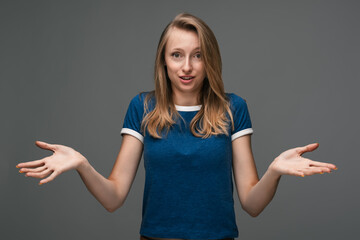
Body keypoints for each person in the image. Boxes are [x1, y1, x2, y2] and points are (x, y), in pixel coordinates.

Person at [16, 13, 337, 240]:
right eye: (177, 55)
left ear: (209, 59)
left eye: (197, 55)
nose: (187, 66)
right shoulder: (142, 107)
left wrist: (275, 171)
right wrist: (82, 164)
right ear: (163, 61)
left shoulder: (232, 108)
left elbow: (251, 204)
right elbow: (113, 198)